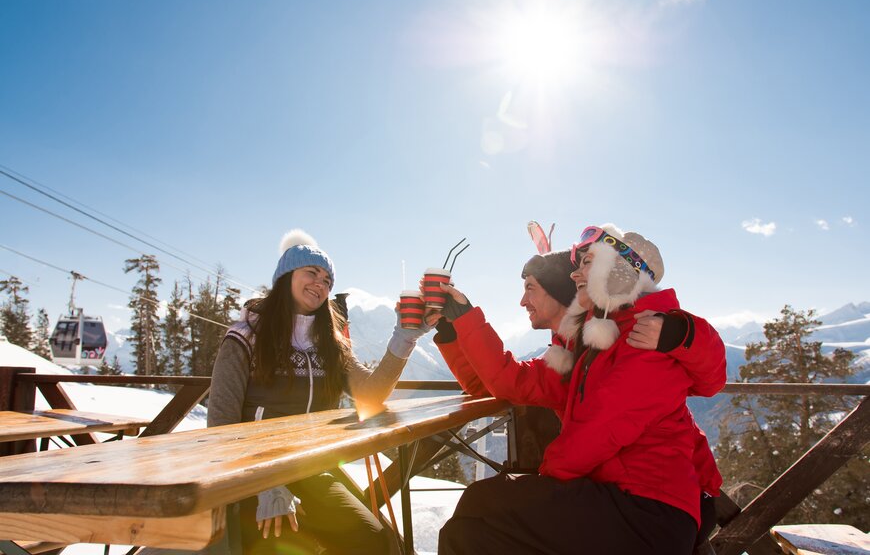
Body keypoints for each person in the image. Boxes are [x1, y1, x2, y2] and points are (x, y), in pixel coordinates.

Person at [436, 224, 726, 555]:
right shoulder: (594, 344)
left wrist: (544, 482)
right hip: (628, 497)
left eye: (587, 262)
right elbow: (509, 381)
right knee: (480, 517)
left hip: (650, 509)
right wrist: (459, 320)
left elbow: (603, 426)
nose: (576, 275)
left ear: (618, 270)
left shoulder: (646, 333)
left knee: (484, 511)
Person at [207, 229, 430, 555]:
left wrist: (404, 338)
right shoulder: (245, 338)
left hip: (313, 472)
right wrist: (266, 486)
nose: (320, 284)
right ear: (285, 276)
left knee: (375, 541)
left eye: (327, 280)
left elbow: (369, 393)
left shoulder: (329, 344)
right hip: (253, 480)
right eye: (311, 273)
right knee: (280, 546)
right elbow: (222, 428)